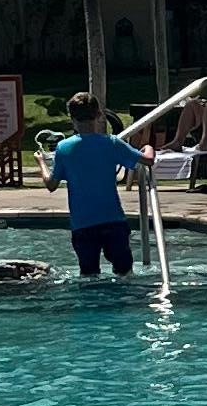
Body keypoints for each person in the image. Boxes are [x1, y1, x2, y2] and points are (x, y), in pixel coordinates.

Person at [47, 91, 148, 276]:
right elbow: (147, 160)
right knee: (125, 273)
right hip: (113, 221)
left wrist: (40, 163)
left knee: (89, 275)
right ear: (99, 115)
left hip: (83, 224)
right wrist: (148, 148)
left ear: (72, 118)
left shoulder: (64, 148)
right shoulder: (111, 143)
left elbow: (51, 185)